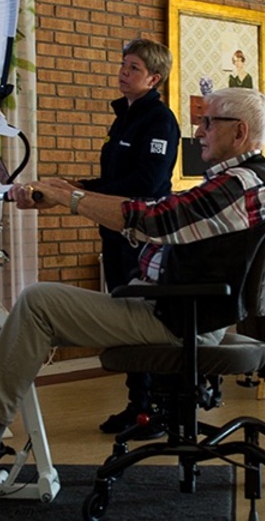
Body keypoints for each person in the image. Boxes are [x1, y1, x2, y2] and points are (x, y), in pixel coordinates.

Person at [0, 88, 265, 473]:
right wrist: (67, 191)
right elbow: (156, 212)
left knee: (40, 302)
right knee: (37, 312)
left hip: (180, 317)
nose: (199, 130)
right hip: (178, 308)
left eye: (208, 122)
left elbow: (154, 221)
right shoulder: (248, 181)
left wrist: (69, 199)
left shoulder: (238, 185)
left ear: (239, 132)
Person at [74, 38, 178, 437]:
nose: (123, 72)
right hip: (115, 230)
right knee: (122, 317)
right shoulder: (124, 118)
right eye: (123, 65)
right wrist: (77, 186)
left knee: (138, 317)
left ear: (154, 78)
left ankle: (153, 408)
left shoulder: (159, 121)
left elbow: (146, 182)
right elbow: (118, 180)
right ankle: (138, 405)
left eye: (133, 68)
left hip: (141, 235)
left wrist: (84, 193)